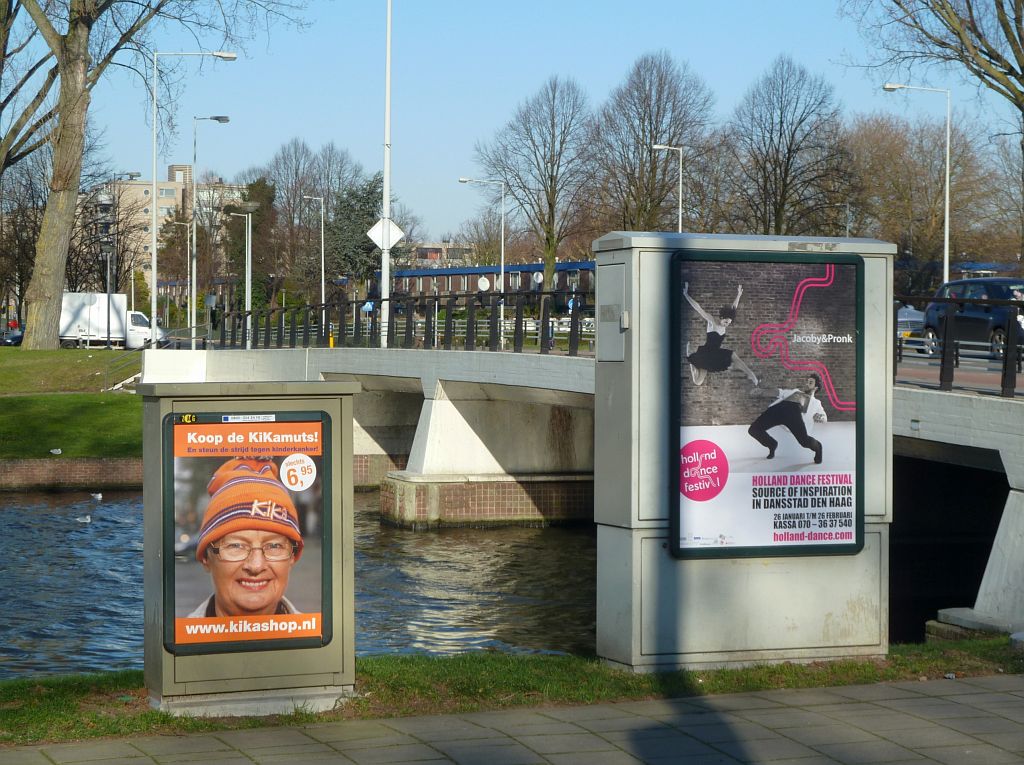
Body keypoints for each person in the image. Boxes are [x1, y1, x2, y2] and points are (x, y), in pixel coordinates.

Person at [188, 458, 304, 618]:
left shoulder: (317, 636)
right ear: (206, 558)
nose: (256, 566)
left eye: (274, 546)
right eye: (236, 545)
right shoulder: (179, 640)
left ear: (292, 556)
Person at [683, 282, 758, 386]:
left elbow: (733, 308)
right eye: (726, 322)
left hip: (715, 353)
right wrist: (686, 294)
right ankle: (691, 358)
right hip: (706, 353)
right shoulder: (712, 321)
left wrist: (739, 295)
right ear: (721, 318)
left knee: (698, 382)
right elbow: (698, 308)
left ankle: (751, 374)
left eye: (729, 323)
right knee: (698, 381)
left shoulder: (726, 322)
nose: (727, 325)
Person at [747, 374, 826, 463]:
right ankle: (771, 444)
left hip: (793, 414)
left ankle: (818, 447)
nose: (807, 384)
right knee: (753, 430)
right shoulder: (795, 392)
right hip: (778, 409)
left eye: (810, 382)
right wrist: (762, 391)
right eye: (807, 382)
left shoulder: (816, 403)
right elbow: (779, 392)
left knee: (804, 441)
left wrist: (821, 417)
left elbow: (824, 416)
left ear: (816, 387)